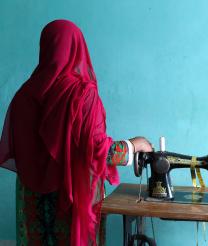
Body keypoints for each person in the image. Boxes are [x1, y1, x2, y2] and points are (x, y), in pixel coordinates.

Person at [0, 19, 153, 245]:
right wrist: (135, 144)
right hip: (71, 202)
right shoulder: (82, 94)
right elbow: (100, 151)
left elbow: (19, 153)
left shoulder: (24, 94)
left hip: (31, 200)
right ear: (77, 47)